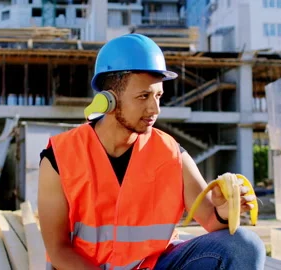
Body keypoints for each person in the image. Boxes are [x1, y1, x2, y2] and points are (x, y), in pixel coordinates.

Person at [37, 34, 266, 270]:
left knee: (245, 245)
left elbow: (210, 220)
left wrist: (223, 211)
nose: (154, 109)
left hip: (154, 266)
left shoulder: (171, 154)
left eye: (158, 96)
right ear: (109, 100)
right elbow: (58, 249)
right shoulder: (59, 157)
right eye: (143, 96)